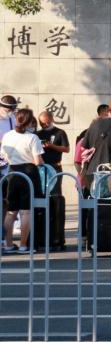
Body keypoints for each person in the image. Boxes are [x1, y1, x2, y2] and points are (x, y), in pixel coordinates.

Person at [1, 108, 43, 254]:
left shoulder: (7, 135)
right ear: (30, 121)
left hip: (12, 172)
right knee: (26, 212)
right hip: (29, 173)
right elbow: (38, 161)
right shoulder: (32, 137)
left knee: (11, 211)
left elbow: (4, 156)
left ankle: (8, 245)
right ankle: (23, 245)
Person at [35, 110, 69, 180]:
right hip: (41, 167)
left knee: (56, 186)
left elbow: (66, 149)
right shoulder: (37, 134)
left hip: (55, 167)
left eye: (47, 123)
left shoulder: (60, 132)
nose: (44, 125)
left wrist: (52, 146)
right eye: (42, 123)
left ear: (52, 120)